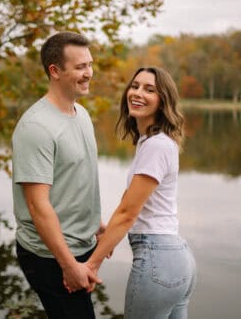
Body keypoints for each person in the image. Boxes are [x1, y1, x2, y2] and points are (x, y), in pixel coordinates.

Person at [83, 66, 197, 319]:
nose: (137, 93)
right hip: (178, 259)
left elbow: (127, 213)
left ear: (163, 100)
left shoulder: (156, 146)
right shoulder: (152, 142)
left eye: (149, 89)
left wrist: (92, 264)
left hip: (158, 259)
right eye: (135, 86)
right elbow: (129, 202)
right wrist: (108, 234)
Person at [11, 31, 104, 319]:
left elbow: (75, 179)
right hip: (50, 255)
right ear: (55, 71)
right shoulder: (36, 127)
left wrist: (95, 223)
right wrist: (67, 265)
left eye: (89, 64)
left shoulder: (82, 114)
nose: (88, 73)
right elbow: (38, 206)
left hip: (81, 246)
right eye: (80, 67)